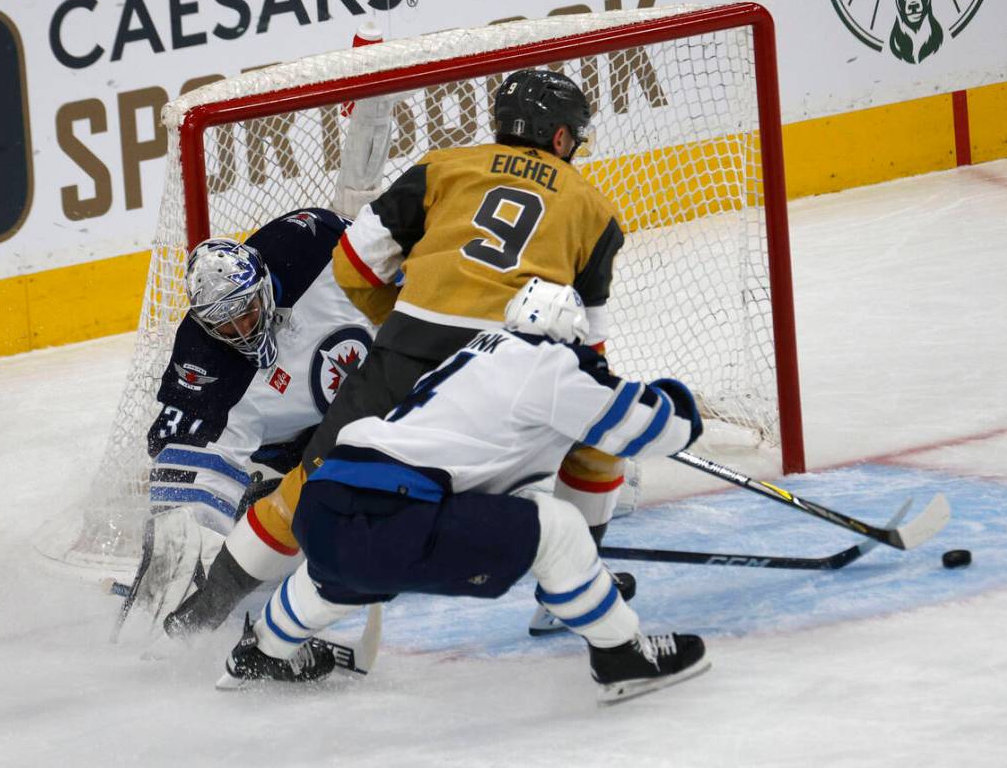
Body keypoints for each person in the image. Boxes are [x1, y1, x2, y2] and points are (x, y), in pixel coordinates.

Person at [166, 68, 635, 640]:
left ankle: (193, 622)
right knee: (598, 449)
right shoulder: (593, 209)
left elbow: (354, 265)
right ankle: (569, 595)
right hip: (505, 368)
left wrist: (401, 324)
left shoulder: (442, 166)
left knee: (303, 490)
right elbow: (592, 344)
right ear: (561, 139)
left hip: (405, 353)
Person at [218, 279, 709, 704]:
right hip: (396, 512)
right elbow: (658, 428)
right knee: (559, 530)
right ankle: (623, 656)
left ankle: (261, 653)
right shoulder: (555, 367)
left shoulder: (475, 352)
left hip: (326, 497)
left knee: (344, 569)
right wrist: (677, 402)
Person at [117, 95, 396, 640]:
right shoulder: (212, 370)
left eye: (248, 312)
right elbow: (195, 465)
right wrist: (184, 547)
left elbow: (381, 248)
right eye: (226, 326)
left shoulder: (310, 248)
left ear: (264, 288)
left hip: (386, 390)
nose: (244, 331)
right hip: (300, 449)